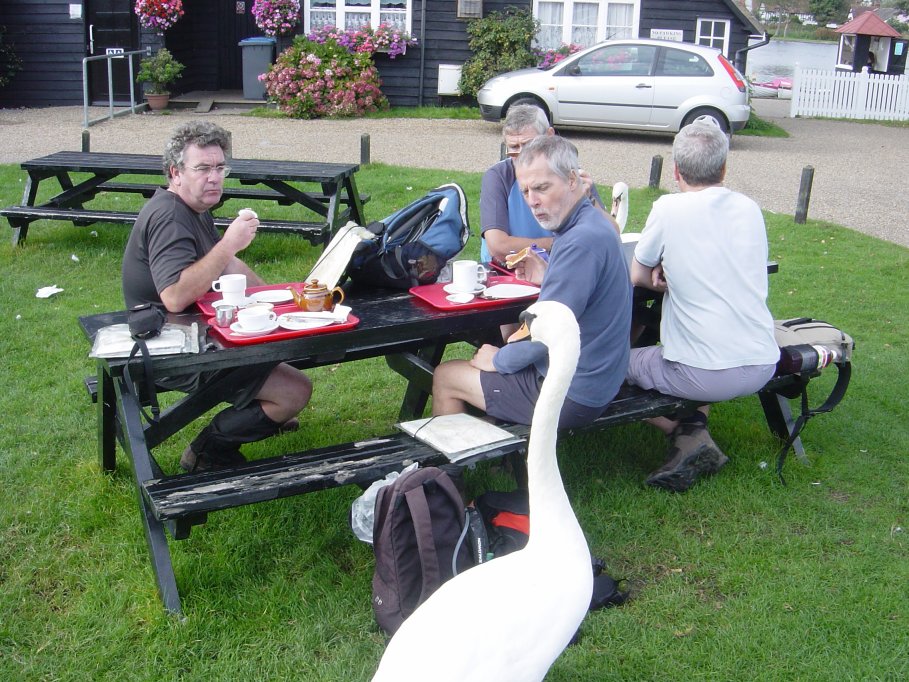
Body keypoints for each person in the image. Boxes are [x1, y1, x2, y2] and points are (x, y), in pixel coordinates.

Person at [122, 121, 312, 472]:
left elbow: (227, 265)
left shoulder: (192, 207)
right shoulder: (169, 217)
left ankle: (261, 414)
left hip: (197, 331)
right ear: (176, 173)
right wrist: (229, 243)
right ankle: (205, 452)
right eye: (203, 168)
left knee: (289, 351)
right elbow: (175, 297)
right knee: (295, 391)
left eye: (220, 168)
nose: (214, 178)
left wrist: (281, 301)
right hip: (169, 348)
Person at [433, 135, 631, 429]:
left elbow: (547, 333)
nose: (532, 201)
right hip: (599, 379)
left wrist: (499, 360)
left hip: (573, 393)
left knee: (447, 376)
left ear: (572, 180)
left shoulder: (579, 241)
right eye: (525, 191)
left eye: (541, 188)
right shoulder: (595, 224)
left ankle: (455, 460)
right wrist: (549, 274)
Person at [626, 116, 780, 492]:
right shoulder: (749, 208)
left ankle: (682, 432)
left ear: (675, 171)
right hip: (763, 361)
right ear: (724, 168)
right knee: (688, 345)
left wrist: (660, 277)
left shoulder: (669, 209)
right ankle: (692, 434)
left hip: (706, 373)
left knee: (607, 363)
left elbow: (637, 275)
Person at [479, 104, 613, 266]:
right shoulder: (498, 177)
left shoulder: (568, 174)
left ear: (549, 136)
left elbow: (611, 233)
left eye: (529, 146)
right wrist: (565, 243)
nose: (522, 156)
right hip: (511, 270)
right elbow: (498, 246)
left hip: (562, 263)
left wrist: (588, 198)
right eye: (514, 147)